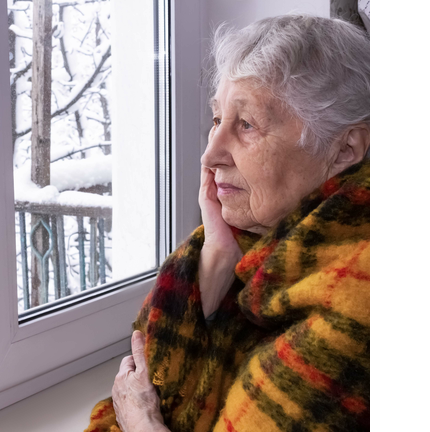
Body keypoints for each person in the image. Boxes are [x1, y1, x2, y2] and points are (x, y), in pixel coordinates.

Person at [85, 14, 369, 432]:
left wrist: (141, 421)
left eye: (247, 124)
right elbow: (131, 388)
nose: (210, 154)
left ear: (345, 149)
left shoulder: (356, 301)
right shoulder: (238, 242)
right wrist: (213, 264)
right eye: (217, 120)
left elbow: (132, 405)